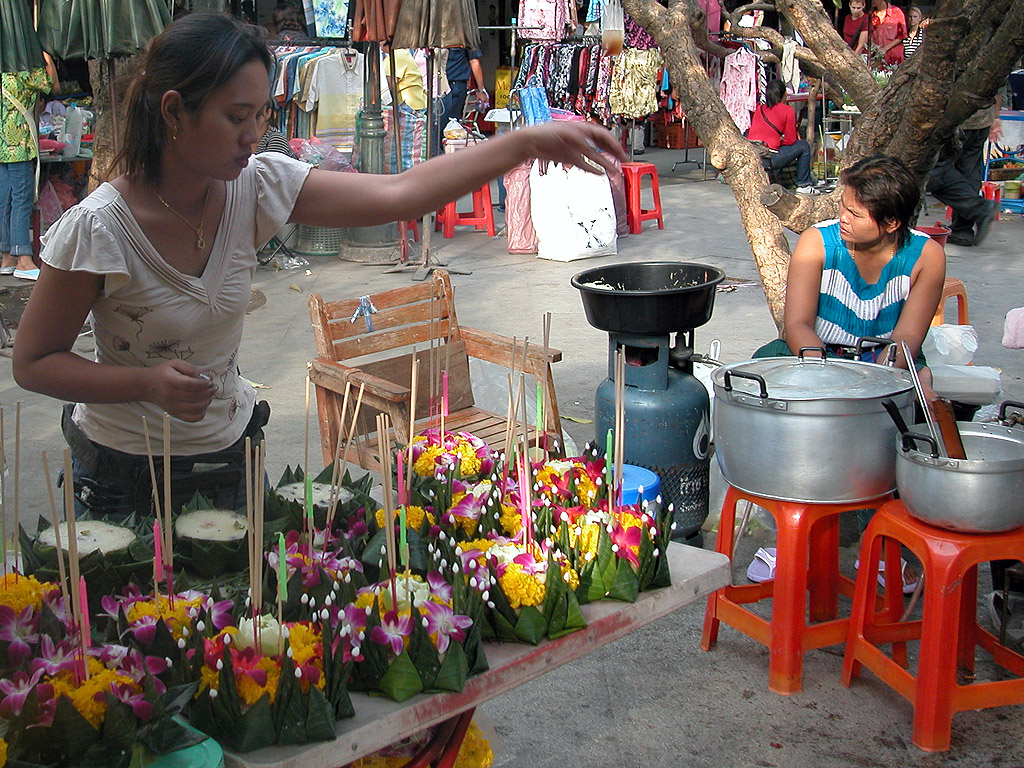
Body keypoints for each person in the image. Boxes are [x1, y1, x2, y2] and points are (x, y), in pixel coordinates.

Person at [11, 11, 624, 519]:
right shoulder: (99, 229)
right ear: (173, 111)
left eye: (261, 116)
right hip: (122, 475)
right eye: (234, 117)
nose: (253, 135)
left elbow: (400, 194)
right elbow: (33, 363)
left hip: (229, 457)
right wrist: (144, 384)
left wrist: (518, 143)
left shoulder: (255, 188)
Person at [756, 154, 945, 380]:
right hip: (817, 353)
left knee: (919, 388)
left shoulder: (926, 257)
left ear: (891, 223)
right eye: (843, 207)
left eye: (855, 214)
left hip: (888, 357)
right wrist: (827, 375)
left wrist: (875, 381)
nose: (844, 218)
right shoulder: (817, 243)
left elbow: (907, 338)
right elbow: (798, 324)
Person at [1, 67, 53, 281]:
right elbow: (51, 84)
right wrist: (45, 55)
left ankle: (6, 257)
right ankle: (23, 258)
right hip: (19, 146)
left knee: (4, 202)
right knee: (22, 201)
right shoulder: (25, 74)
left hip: (2, 145)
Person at [747, 79, 822, 195]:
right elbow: (791, 140)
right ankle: (804, 184)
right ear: (784, 95)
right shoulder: (787, 110)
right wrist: (780, 142)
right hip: (769, 157)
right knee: (803, 146)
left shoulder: (759, 109)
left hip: (754, 154)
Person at [435, 47, 485, 156]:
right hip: (439, 84)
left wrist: (481, 90)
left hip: (454, 85)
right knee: (439, 128)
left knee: (449, 127)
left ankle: (446, 159)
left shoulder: (464, 35)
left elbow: (474, 60)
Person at [868, 0, 906, 67]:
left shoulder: (896, 12)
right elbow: (869, 35)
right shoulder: (872, 15)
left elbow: (902, 35)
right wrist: (874, 46)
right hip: (878, 59)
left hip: (894, 58)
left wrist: (885, 48)